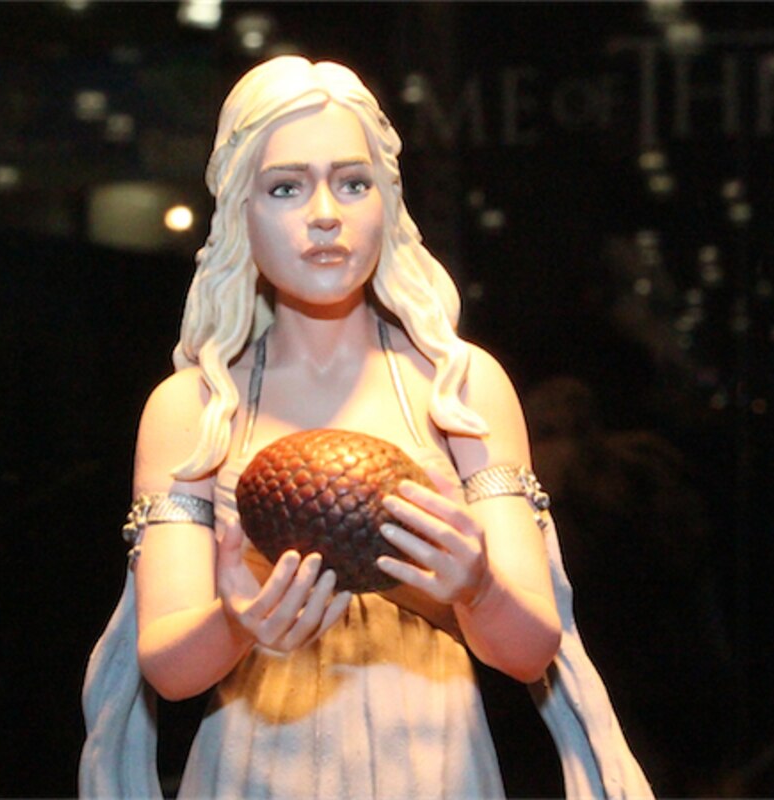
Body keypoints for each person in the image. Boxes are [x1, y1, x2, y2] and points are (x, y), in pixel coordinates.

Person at [79, 56, 653, 799]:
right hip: (257, 770)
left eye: (353, 183)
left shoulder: (459, 387)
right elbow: (168, 667)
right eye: (285, 187)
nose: (325, 213)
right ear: (239, 210)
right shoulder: (192, 406)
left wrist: (476, 587)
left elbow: (531, 648)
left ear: (389, 198)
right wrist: (239, 621)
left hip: (434, 765)